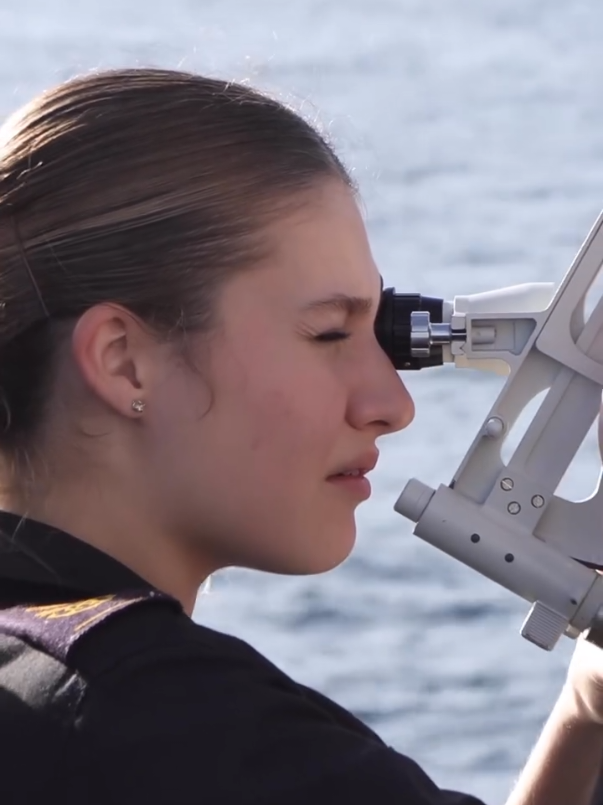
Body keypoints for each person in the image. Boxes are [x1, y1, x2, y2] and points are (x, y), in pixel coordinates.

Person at [0, 67, 601, 805]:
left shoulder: (59, 687)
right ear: (125, 363)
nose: (391, 404)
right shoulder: (185, 725)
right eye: (327, 332)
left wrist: (583, 713)